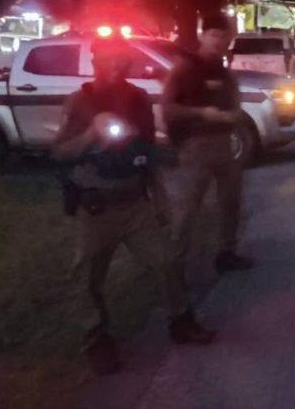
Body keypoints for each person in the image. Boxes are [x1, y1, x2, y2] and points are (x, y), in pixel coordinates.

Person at [53, 34, 214, 375]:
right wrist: (90, 134)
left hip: (134, 205)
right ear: (94, 61)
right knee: (87, 278)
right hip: (96, 208)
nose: (114, 65)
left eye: (120, 59)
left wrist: (161, 199)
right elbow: (59, 152)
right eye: (106, 59)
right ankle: (97, 339)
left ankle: (181, 321)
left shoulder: (138, 99)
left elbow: (146, 152)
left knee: (167, 260)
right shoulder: (79, 101)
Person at [163, 12, 255, 275]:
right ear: (202, 36)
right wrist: (202, 113)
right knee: (188, 207)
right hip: (195, 146)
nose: (218, 41)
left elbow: (235, 105)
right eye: (213, 35)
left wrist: (234, 114)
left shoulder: (224, 73)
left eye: (223, 36)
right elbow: (168, 109)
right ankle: (175, 266)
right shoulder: (184, 69)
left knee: (231, 202)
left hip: (224, 144)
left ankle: (226, 253)